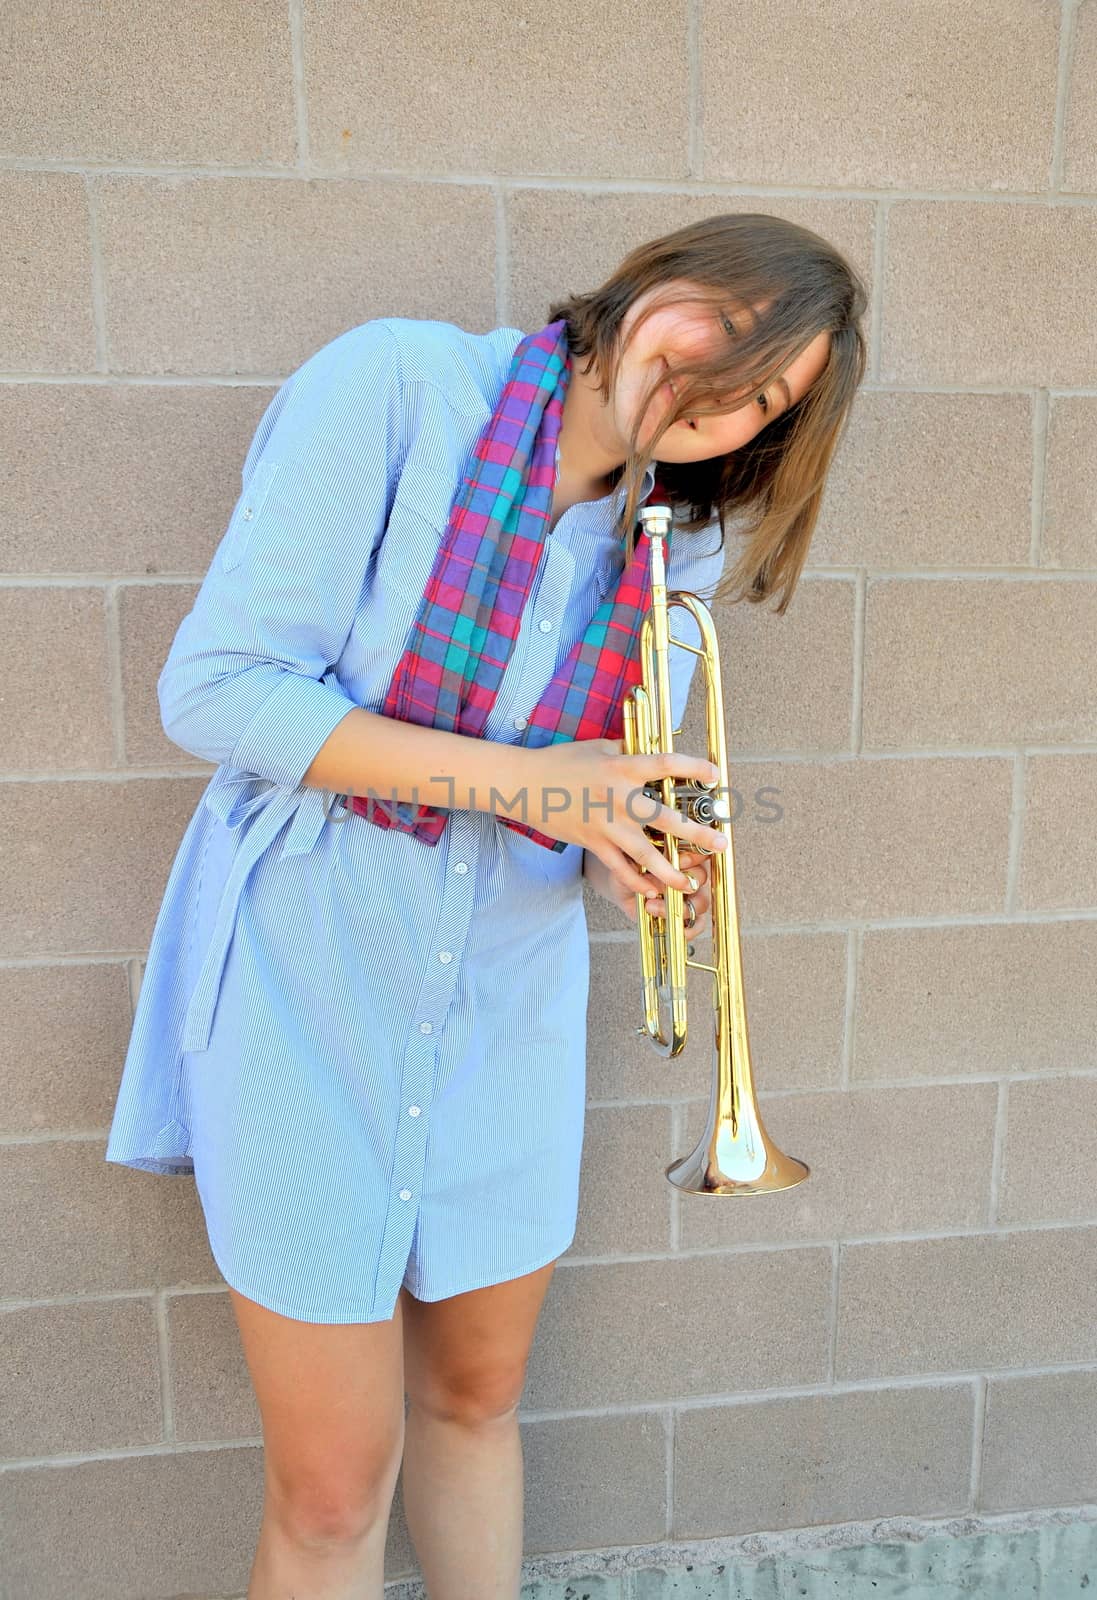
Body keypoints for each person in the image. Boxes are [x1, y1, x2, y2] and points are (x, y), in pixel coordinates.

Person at [105, 212, 867, 1599]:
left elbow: (602, 797)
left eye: (763, 396)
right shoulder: (397, 388)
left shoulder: (670, 547)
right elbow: (216, 688)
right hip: (309, 969)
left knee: (475, 1400)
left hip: (504, 995)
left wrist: (648, 850)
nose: (719, 390)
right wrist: (538, 786)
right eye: (721, 330)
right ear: (652, 283)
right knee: (333, 1483)